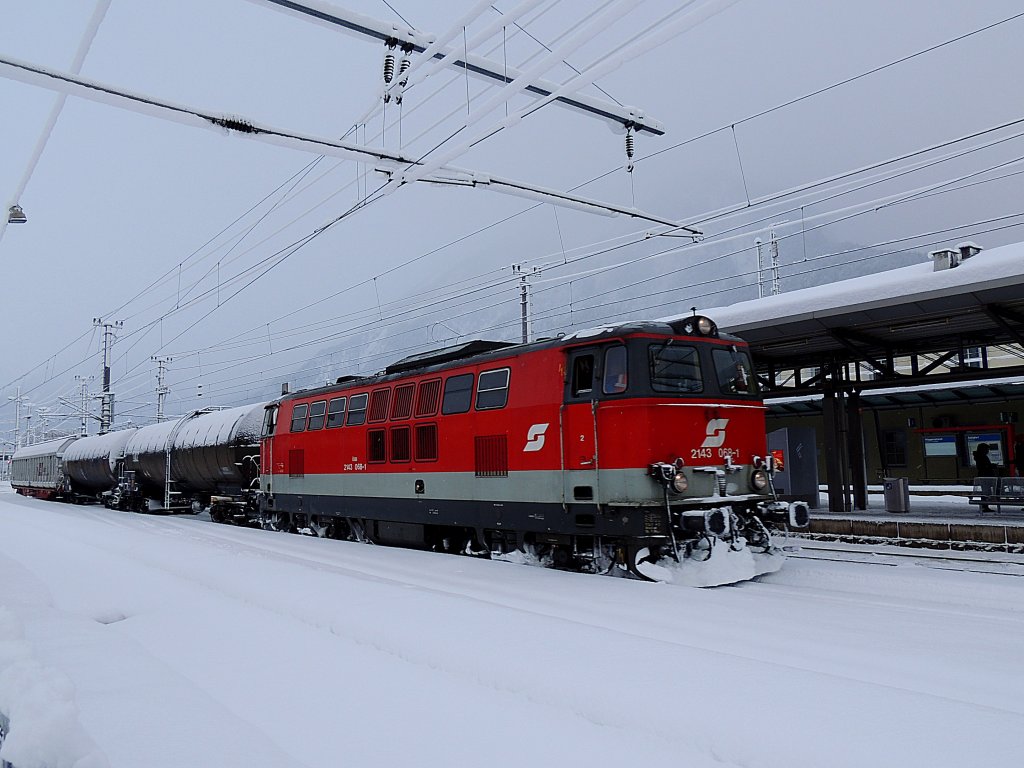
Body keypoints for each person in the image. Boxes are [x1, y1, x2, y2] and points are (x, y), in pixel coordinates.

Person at [973, 443, 998, 513]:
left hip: (984, 476)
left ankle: (985, 506)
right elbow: (984, 467)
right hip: (985, 476)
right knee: (986, 492)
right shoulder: (982, 457)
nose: (988, 451)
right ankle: (985, 506)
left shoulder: (979, 456)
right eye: (987, 449)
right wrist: (992, 466)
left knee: (986, 491)